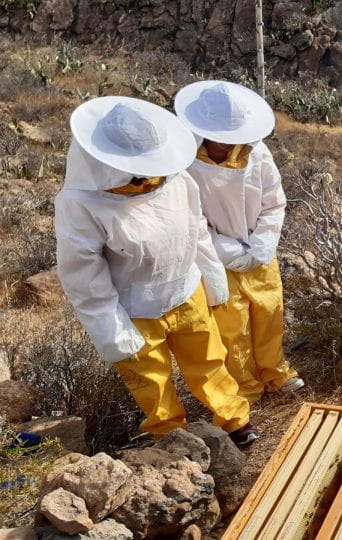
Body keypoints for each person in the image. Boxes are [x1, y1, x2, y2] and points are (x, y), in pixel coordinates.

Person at [55, 96, 259, 446]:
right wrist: (111, 329)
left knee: (209, 359)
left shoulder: (176, 179)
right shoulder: (80, 203)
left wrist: (212, 279)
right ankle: (170, 437)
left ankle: (234, 419)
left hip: (185, 289)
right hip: (135, 309)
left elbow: (195, 228)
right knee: (151, 379)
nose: (150, 176)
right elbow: (82, 275)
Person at [174, 80, 303, 406]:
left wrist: (264, 242)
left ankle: (276, 372)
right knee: (232, 326)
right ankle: (245, 387)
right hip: (217, 260)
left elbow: (274, 202)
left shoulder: (258, 152)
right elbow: (191, 218)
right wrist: (226, 250)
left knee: (269, 313)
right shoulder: (186, 163)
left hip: (259, 253)